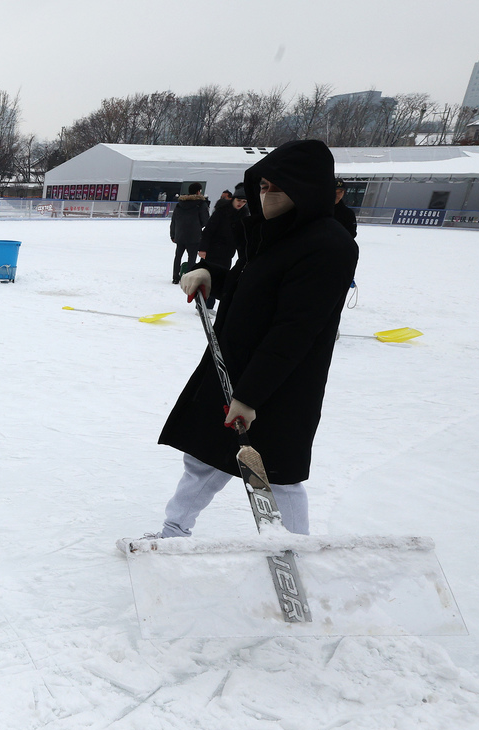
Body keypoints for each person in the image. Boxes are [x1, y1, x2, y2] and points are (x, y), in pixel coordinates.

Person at [148, 140, 359, 539]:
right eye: (262, 186)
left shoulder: (329, 245)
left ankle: (294, 551)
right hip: (232, 366)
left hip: (279, 382)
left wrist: (251, 396)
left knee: (275, 474)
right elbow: (254, 288)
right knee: (205, 457)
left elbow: (294, 329)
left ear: (308, 189)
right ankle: (174, 530)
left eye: (277, 188)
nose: (266, 195)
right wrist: (213, 275)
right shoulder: (268, 234)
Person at [196, 183, 248, 310]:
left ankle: (209, 306)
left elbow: (242, 238)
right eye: (239, 200)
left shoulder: (244, 215)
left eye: (244, 201)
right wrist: (203, 248)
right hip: (212, 251)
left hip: (227, 253)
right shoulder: (221, 211)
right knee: (206, 278)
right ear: (233, 199)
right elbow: (208, 230)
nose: (240, 203)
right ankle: (200, 305)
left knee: (220, 280)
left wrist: (244, 257)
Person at [169, 182, 210, 283]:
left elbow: (174, 220)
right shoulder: (201, 204)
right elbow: (205, 221)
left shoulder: (180, 204)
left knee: (178, 256)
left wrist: (173, 234)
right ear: (198, 191)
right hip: (194, 235)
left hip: (180, 234)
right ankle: (188, 277)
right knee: (192, 257)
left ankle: (175, 276)